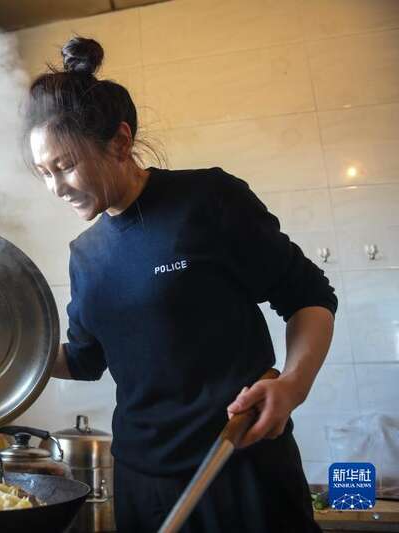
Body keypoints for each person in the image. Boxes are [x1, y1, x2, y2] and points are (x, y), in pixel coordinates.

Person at [24, 37, 336, 533]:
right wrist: (7, 352)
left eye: (65, 166)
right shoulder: (85, 255)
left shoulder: (207, 199)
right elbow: (84, 361)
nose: (56, 188)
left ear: (120, 142)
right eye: (44, 173)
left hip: (239, 465)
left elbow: (309, 297)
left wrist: (294, 385)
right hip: (142, 483)